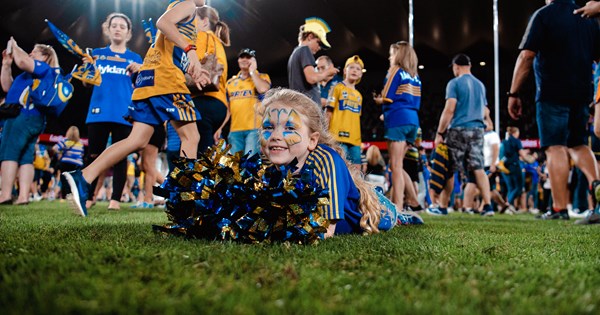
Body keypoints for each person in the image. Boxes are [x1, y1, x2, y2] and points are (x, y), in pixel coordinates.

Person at [64, 0, 210, 217]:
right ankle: (184, 204)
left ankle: (83, 177)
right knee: (191, 137)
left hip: (149, 79)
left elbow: (167, 48)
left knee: (137, 140)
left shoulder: (179, 8)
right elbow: (163, 23)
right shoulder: (188, 5)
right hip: (165, 80)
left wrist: (193, 70)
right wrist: (190, 50)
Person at [259, 88, 423, 238]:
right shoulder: (266, 168)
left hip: (372, 212)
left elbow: (326, 230)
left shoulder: (325, 159)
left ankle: (404, 216)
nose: (275, 135)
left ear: (312, 140)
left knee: (387, 216)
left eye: (289, 128)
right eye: (268, 127)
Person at [508, 0, 600, 224]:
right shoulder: (587, 18)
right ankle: (597, 185)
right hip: (582, 93)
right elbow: (597, 58)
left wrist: (513, 93)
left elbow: (526, 56)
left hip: (552, 92)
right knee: (578, 144)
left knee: (555, 147)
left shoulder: (543, 15)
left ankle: (558, 207)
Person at [84, 12, 143, 210]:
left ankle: (115, 200)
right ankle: (89, 196)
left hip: (124, 113)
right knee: (94, 156)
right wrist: (87, 69)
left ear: (128, 33)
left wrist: (141, 70)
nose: (118, 28)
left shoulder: (135, 58)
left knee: (120, 158)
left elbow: (143, 87)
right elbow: (85, 82)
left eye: (122, 26)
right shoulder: (96, 54)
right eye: (114, 25)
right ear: (107, 30)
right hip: (98, 112)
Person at [429, 53, 494, 216]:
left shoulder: (454, 83)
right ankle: (487, 206)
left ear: (456, 67)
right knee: (478, 167)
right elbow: (486, 110)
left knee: (449, 169)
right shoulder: (480, 85)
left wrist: (440, 132)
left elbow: (450, 108)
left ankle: (442, 207)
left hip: (459, 129)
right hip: (477, 130)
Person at [0, 40, 61, 205]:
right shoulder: (30, 75)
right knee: (26, 157)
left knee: (9, 153)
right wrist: (6, 65)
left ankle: (5, 194)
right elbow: (8, 87)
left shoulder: (42, 68)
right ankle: (23, 197)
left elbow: (21, 61)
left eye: (34, 52)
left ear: (45, 57)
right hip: (33, 118)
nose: (30, 54)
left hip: (23, 116)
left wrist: (15, 45)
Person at [374, 41, 421, 212]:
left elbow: (387, 96)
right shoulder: (415, 75)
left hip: (398, 120)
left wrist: (378, 100)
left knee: (395, 166)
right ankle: (412, 202)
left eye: (392, 54)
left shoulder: (395, 71)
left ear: (399, 55)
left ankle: (398, 208)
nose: (389, 57)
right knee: (399, 166)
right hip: (413, 121)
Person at [192, 5, 231, 154]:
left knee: (201, 154)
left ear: (204, 21)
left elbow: (195, 61)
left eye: (193, 20)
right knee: (208, 150)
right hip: (219, 104)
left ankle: (204, 178)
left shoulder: (203, 36)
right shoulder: (218, 43)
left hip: (203, 100)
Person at [224, 48, 271, 156]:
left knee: (249, 165)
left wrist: (252, 71)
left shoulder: (262, 77)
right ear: (238, 60)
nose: (244, 59)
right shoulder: (230, 83)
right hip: (234, 131)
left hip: (254, 130)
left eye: (248, 57)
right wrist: (220, 128)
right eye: (242, 57)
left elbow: (263, 89)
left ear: (254, 60)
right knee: (234, 167)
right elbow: (228, 109)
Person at [287, 17, 339, 105]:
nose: (319, 48)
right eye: (319, 43)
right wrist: (327, 72)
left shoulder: (295, 53)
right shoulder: (304, 50)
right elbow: (312, 78)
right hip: (307, 109)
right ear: (310, 37)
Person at [325, 55, 364, 167]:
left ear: (361, 74)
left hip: (355, 139)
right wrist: (326, 134)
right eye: (351, 67)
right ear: (345, 70)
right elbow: (328, 112)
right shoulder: (337, 88)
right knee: (340, 167)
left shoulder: (359, 96)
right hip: (338, 136)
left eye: (358, 69)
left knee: (357, 169)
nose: (355, 71)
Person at [53, 126, 85, 199]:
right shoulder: (80, 143)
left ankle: (62, 195)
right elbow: (82, 154)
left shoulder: (65, 141)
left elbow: (55, 148)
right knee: (75, 180)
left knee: (64, 179)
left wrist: (60, 153)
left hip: (66, 163)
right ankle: (77, 195)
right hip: (77, 164)